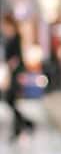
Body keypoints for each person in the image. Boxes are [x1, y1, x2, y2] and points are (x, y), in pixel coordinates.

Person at [2, 11, 36, 140]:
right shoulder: (9, 38)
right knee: (10, 101)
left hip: (15, 74)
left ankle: (23, 126)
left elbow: (17, 58)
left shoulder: (16, 38)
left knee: (11, 100)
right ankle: (25, 124)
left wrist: (10, 73)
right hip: (12, 73)